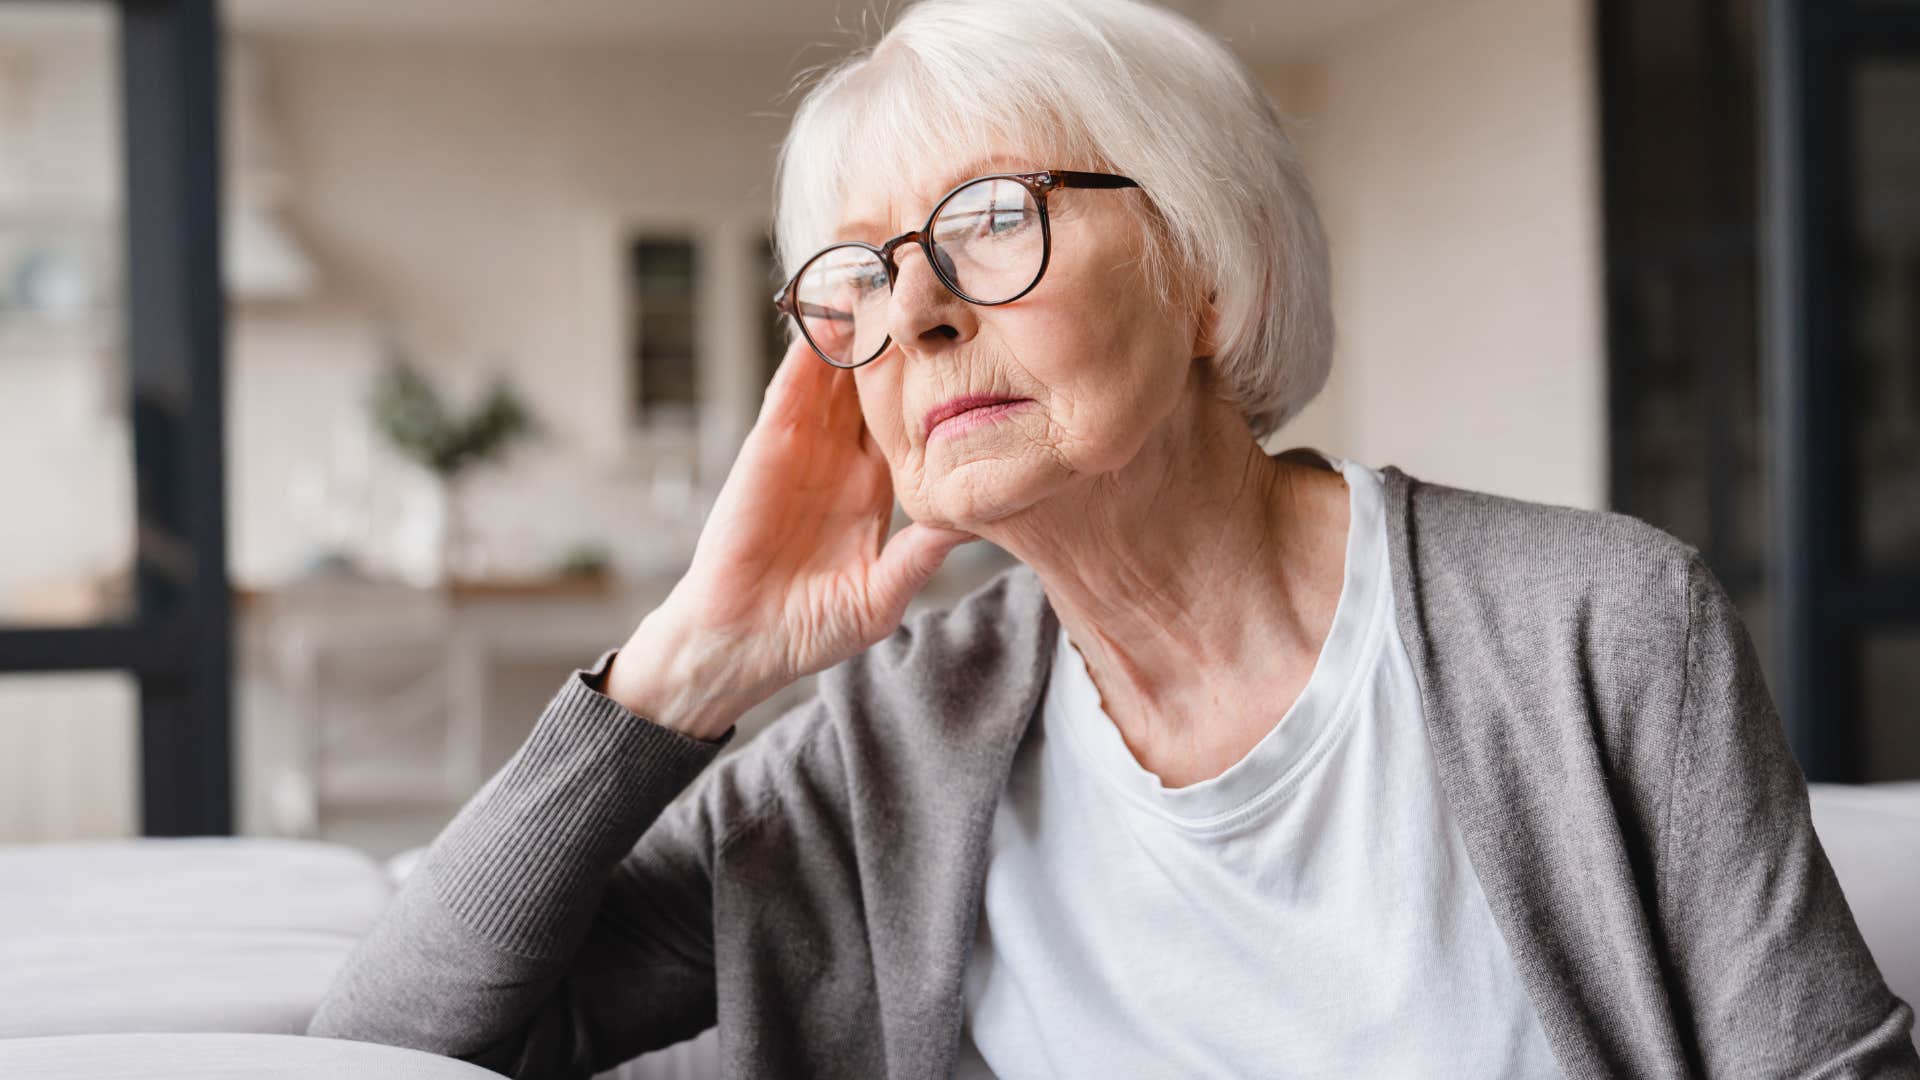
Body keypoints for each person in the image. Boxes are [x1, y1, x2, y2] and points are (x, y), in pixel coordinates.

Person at [307, 0, 1920, 1075]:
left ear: (1206, 276)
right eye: (858, 280)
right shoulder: (888, 743)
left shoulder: (1602, 625)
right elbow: (391, 1042)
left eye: (992, 219)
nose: (918, 308)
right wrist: (685, 667)